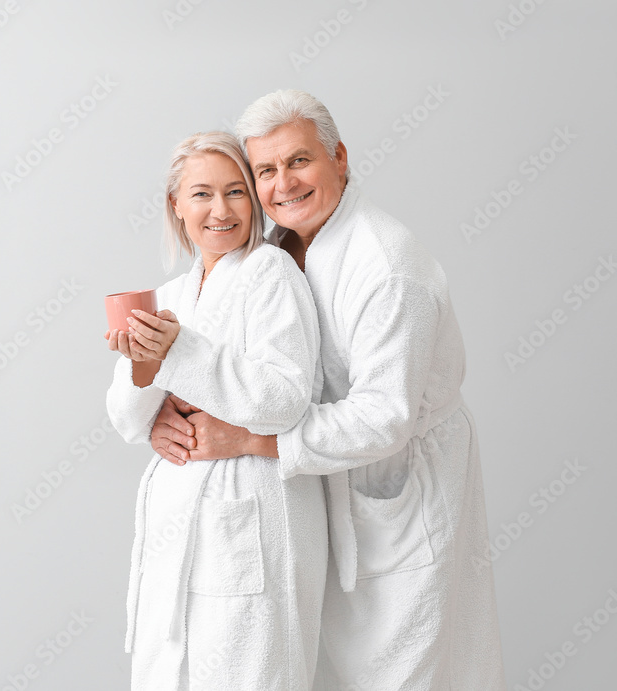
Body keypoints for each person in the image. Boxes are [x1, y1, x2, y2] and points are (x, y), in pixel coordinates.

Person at [150, 91, 507, 689]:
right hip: (318, 494)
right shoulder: (277, 250)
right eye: (265, 171)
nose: (283, 184)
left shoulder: (388, 268)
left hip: (399, 490)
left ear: (339, 157)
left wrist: (248, 440)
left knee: (404, 669)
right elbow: (240, 360)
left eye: (299, 161)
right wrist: (167, 410)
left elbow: (383, 418)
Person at [105, 131, 328, 689]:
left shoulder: (271, 275)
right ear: (176, 207)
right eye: (202, 194)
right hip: (177, 525)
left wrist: (177, 355)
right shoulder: (171, 295)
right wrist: (147, 380)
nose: (221, 210)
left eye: (236, 192)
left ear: (253, 201)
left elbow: (282, 400)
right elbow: (127, 420)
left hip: (252, 516)